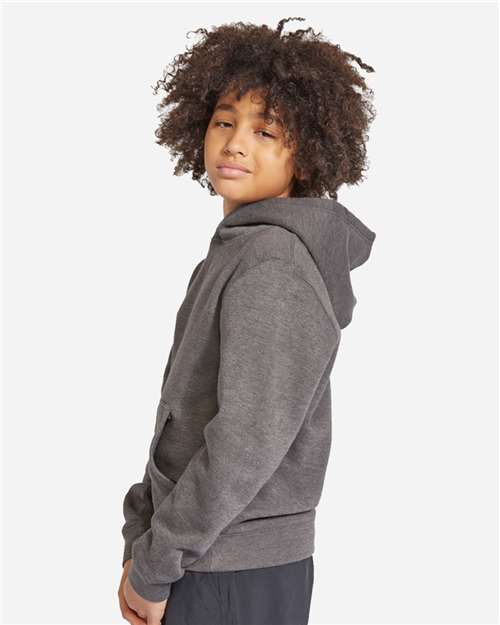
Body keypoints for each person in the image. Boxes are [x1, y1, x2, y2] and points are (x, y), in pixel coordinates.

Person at [118, 16, 377, 625]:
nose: (236, 144)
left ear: (307, 153)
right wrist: (142, 537)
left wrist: (155, 563)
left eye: (266, 131)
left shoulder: (272, 263)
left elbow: (245, 441)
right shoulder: (240, 250)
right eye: (224, 122)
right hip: (205, 557)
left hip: (229, 567)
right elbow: (185, 417)